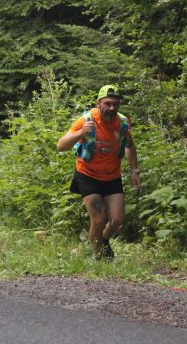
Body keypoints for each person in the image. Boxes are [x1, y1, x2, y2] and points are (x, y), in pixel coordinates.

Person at [57, 85, 141, 260]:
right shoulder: (86, 120)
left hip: (112, 176)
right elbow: (61, 146)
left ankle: (103, 240)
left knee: (117, 221)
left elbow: (130, 145)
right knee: (99, 219)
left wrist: (134, 171)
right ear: (98, 103)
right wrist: (81, 133)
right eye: (107, 103)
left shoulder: (123, 122)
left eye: (115, 104)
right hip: (87, 175)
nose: (111, 108)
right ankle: (99, 258)